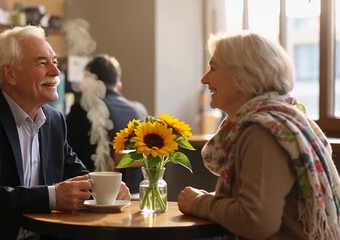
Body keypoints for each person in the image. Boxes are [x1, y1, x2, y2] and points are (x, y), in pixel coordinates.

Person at [0, 25, 130, 240]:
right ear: (10, 74)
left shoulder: (54, 121)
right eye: (42, 63)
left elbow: (77, 176)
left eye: (55, 62)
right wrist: (51, 197)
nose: (56, 72)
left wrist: (107, 188)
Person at [178, 31, 340, 240]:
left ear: (242, 76)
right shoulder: (283, 122)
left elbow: (255, 221)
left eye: (213, 68)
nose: (204, 79)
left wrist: (199, 203)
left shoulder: (261, 133)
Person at [66, 54, 148, 195]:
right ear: (119, 86)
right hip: (136, 197)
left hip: (95, 198)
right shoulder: (140, 111)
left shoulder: (81, 111)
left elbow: (64, 159)